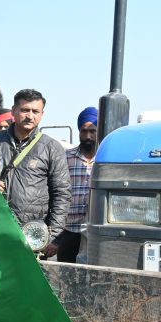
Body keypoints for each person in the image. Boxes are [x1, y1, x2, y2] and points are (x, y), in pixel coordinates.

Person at [0, 89, 71, 257]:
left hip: (32, 237)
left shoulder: (52, 147)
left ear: (42, 114)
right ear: (13, 111)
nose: (30, 116)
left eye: (35, 111)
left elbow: (62, 194)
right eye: (25, 110)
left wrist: (53, 236)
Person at [53, 107, 97, 263]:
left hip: (94, 234)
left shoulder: (105, 160)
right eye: (84, 131)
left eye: (93, 131)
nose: (88, 136)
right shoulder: (66, 157)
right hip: (69, 231)